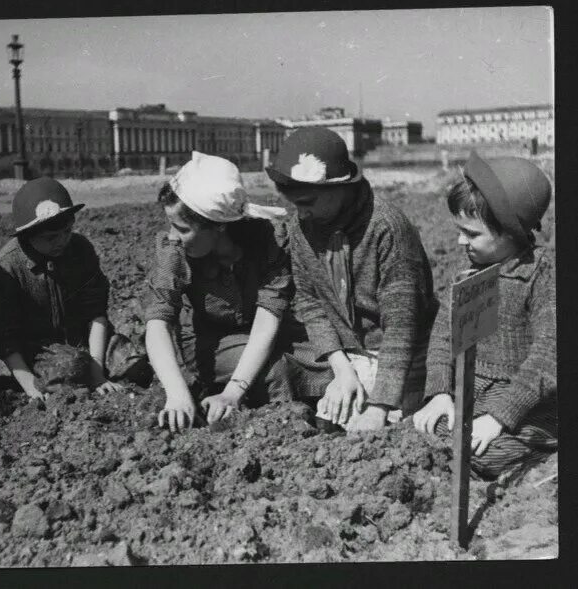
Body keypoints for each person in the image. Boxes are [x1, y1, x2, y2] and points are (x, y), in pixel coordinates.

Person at [268, 126, 438, 433]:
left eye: (308, 203)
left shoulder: (386, 229)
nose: (300, 214)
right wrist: (342, 369)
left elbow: (402, 328)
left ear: (341, 188)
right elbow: (310, 301)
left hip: (404, 350)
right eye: (295, 205)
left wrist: (379, 407)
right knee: (326, 423)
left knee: (379, 430)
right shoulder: (301, 228)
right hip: (351, 351)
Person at [413, 151, 555, 479]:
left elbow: (547, 361)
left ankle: (540, 461)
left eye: (473, 234)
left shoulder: (540, 277)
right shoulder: (469, 274)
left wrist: (500, 417)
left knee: (483, 453)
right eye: (460, 230)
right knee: (423, 431)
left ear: (511, 232)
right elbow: (443, 340)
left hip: (529, 405)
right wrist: (438, 394)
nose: (461, 241)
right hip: (473, 395)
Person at [144, 150, 302, 432]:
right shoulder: (173, 250)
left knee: (328, 361)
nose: (172, 235)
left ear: (218, 226)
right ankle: (281, 430)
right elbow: (158, 323)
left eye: (182, 228)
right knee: (277, 370)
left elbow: (269, 317)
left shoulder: (268, 240)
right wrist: (178, 394)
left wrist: (232, 391)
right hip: (210, 341)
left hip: (264, 332)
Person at [0, 177, 148, 401]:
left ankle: (87, 371)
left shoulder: (80, 249)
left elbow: (96, 313)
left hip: (86, 339)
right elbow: (4, 337)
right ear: (26, 235)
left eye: (67, 231)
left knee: (134, 364)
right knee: (72, 367)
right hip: (40, 351)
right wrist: (30, 387)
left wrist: (98, 372)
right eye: (50, 237)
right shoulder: (8, 266)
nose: (62, 241)